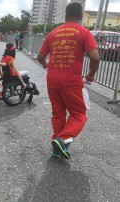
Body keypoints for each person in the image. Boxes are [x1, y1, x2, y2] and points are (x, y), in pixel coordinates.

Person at [37, 2, 100, 159]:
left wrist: (47, 66)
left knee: (58, 114)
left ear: (65, 15)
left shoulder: (53, 33)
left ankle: (56, 149)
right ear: (80, 16)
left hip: (52, 80)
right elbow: (95, 57)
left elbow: (40, 57)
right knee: (79, 114)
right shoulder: (84, 32)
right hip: (71, 82)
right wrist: (91, 74)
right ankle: (62, 140)